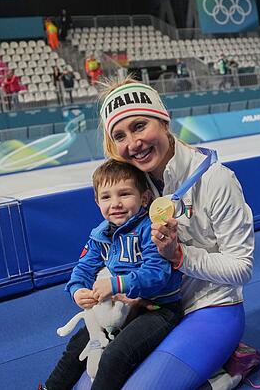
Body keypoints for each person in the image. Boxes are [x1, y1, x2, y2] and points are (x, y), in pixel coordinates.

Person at [97, 76, 255, 389]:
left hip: (211, 308)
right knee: (92, 381)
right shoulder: (131, 187)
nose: (133, 143)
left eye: (140, 126)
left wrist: (179, 255)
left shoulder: (216, 180)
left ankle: (227, 370)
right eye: (120, 135)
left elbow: (242, 268)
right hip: (157, 308)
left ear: (164, 121)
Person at [44, 160, 183, 390]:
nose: (116, 204)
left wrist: (116, 284)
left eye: (125, 194)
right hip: (119, 312)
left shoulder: (151, 229)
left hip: (158, 309)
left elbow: (157, 273)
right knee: (77, 345)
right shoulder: (99, 235)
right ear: (97, 202)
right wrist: (77, 289)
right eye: (106, 197)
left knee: (116, 354)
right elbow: (83, 268)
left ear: (145, 198)